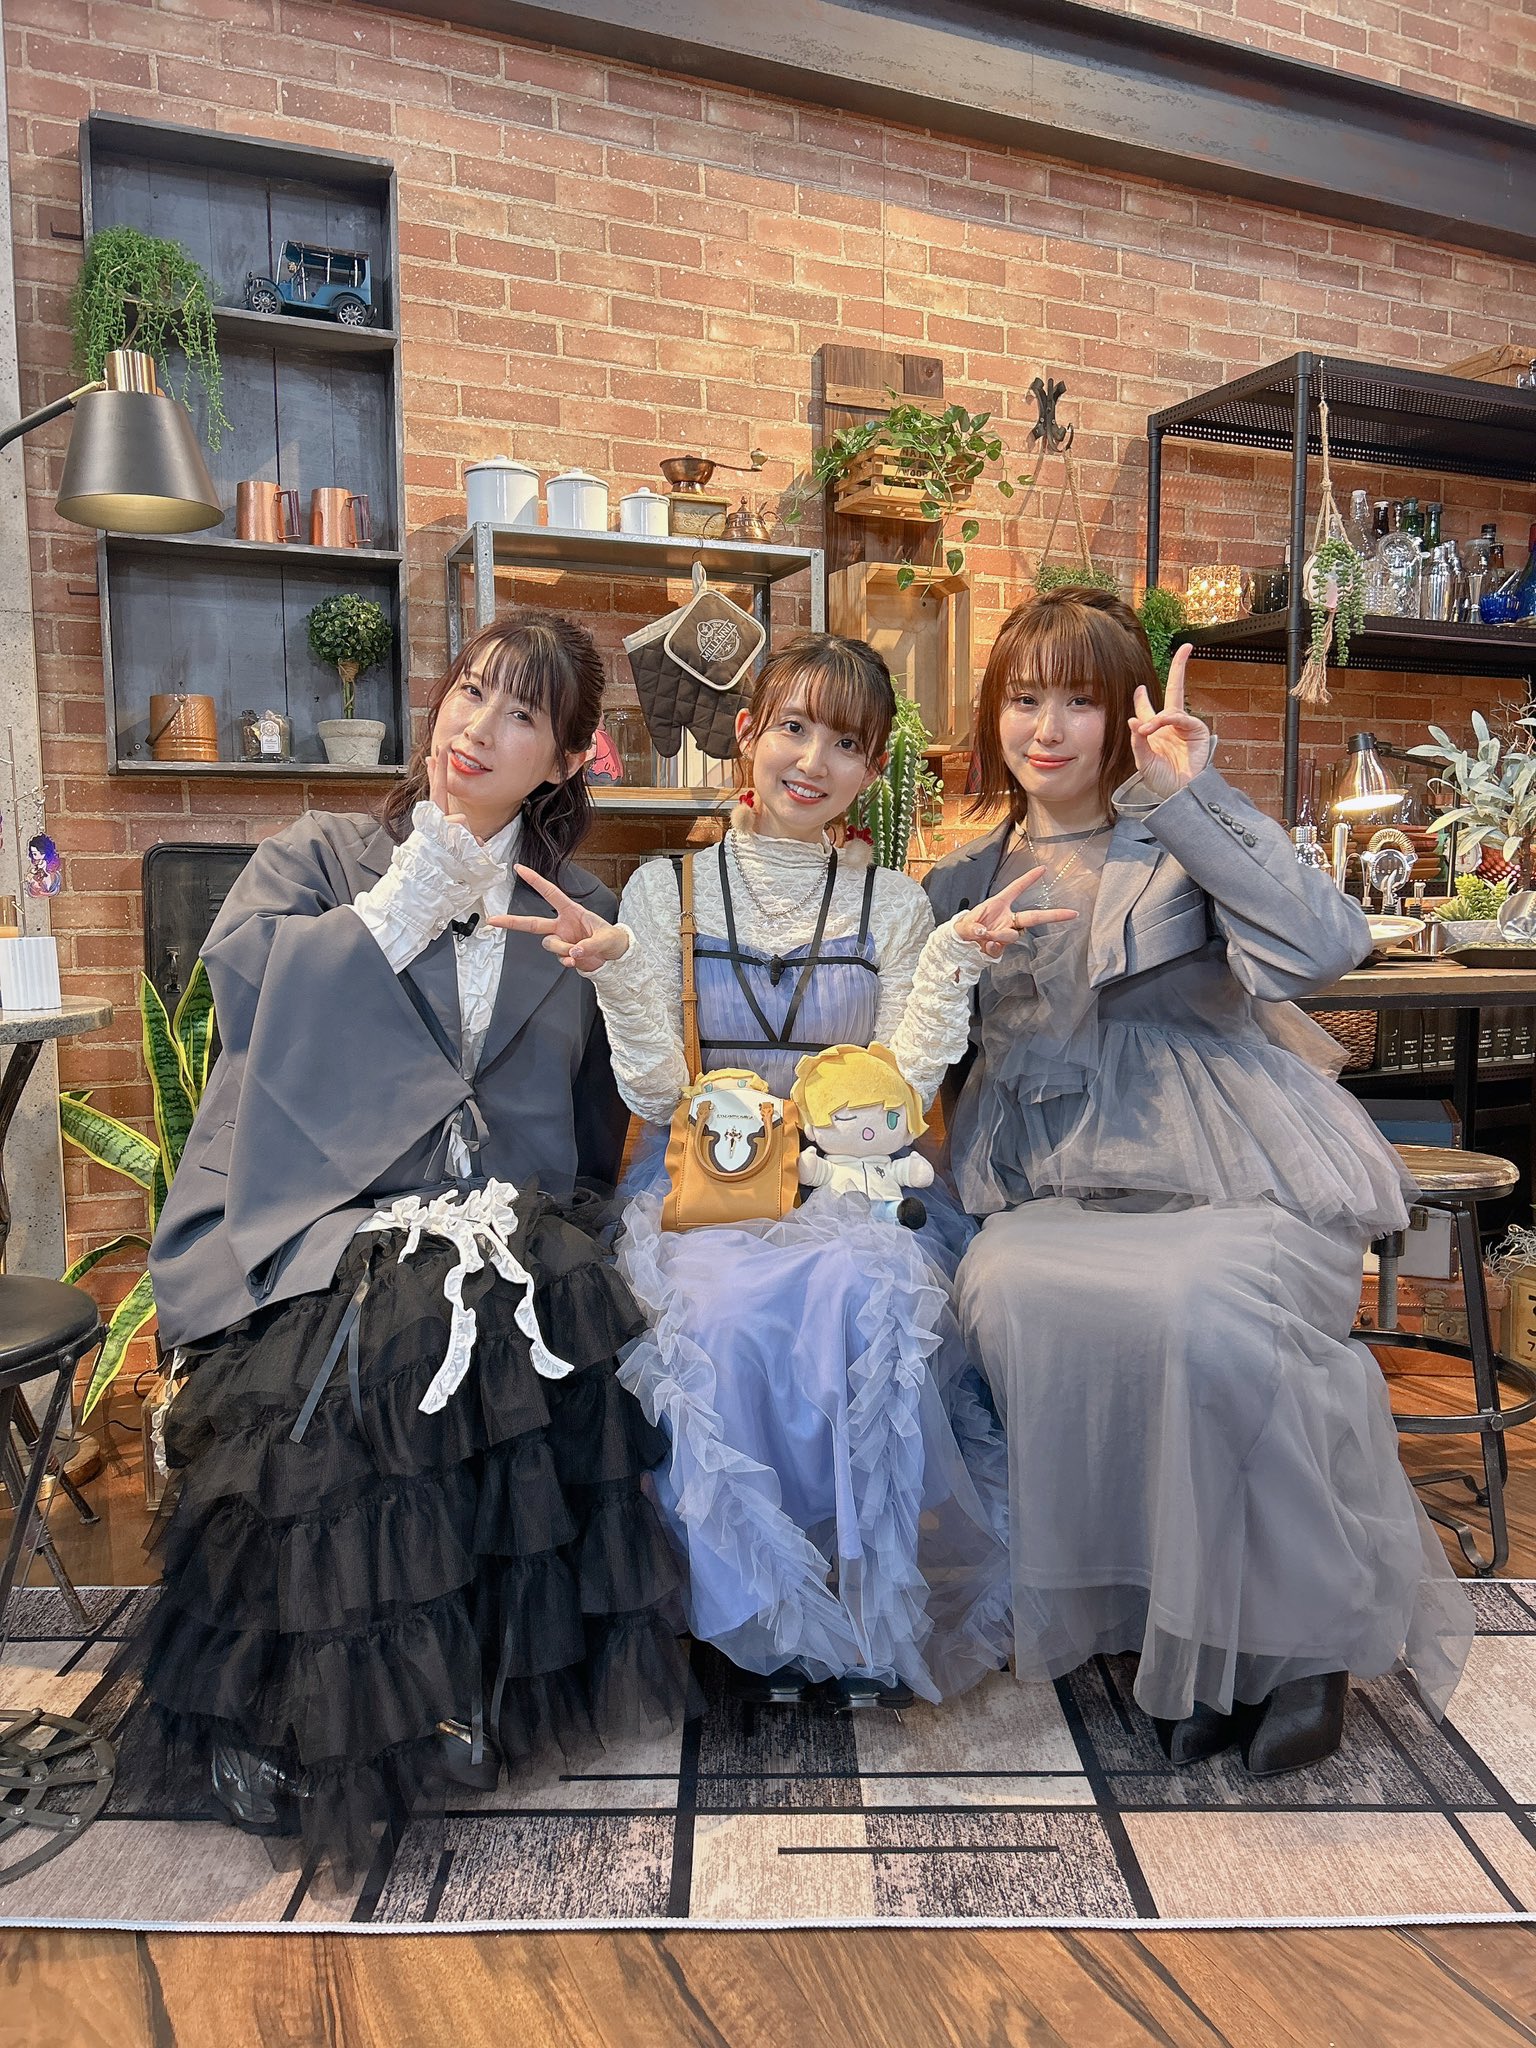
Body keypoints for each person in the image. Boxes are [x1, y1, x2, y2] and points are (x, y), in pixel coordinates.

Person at [119, 611, 688, 1871]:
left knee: (494, 1311)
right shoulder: (326, 855)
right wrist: (407, 896)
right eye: (471, 691)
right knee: (365, 1352)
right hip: (312, 1203)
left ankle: (453, 1682)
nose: (475, 727)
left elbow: (615, 1105)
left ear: (567, 759)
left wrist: (621, 976)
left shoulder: (574, 902)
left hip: (496, 1211)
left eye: (522, 713)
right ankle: (279, 1708)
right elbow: (249, 1012)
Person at [924, 588, 1473, 1774]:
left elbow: (1325, 945)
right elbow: (919, 1043)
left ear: (1124, 714)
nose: (1049, 728)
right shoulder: (963, 877)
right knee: (1007, 1295)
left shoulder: (1178, 832)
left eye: (1080, 700)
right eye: (1026, 698)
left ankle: (1295, 1647)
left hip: (1227, 1166)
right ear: (993, 712)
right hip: (1052, 1184)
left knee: (1206, 1316)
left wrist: (1191, 794)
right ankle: (1158, 1621)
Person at [500, 634, 1067, 1710]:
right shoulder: (664, 888)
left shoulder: (894, 904)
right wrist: (619, 973)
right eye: (794, 728)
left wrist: (950, 962)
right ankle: (751, 1616)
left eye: (846, 744)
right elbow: (661, 1096)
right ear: (748, 733)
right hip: (709, 1189)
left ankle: (856, 1611)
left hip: (853, 1192)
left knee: (866, 1293)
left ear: (873, 768)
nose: (813, 761)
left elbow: (899, 1092)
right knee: (716, 1319)